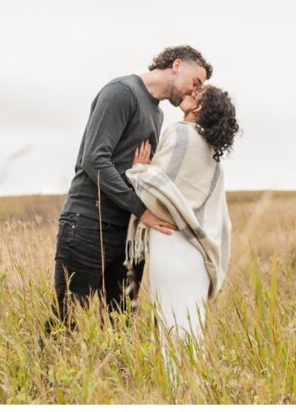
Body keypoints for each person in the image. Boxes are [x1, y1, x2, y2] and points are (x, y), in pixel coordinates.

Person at [42, 45, 212, 340]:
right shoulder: (121, 92)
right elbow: (94, 159)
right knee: (66, 318)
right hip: (88, 222)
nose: (194, 91)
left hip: (128, 234)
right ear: (176, 65)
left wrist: (143, 172)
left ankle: (116, 386)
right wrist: (142, 209)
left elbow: (140, 173)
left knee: (120, 323)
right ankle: (43, 386)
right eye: (195, 82)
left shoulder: (156, 115)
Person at [123, 85, 239, 350]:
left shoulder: (181, 133)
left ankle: (175, 390)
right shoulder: (209, 149)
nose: (190, 91)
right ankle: (189, 389)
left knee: (170, 329)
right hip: (197, 252)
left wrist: (140, 171)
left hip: (171, 241)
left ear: (197, 108)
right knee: (190, 330)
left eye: (196, 93)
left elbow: (159, 193)